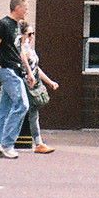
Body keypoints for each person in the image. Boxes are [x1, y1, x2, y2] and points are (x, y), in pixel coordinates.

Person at [0, 0, 29, 159]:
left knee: (3, 110)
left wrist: (29, 72)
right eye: (25, 7)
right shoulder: (3, 24)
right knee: (22, 105)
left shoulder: (18, 26)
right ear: (17, 7)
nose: (27, 10)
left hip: (16, 70)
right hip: (7, 70)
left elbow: (20, 51)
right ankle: (7, 144)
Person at [19, 20, 59, 155]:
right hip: (25, 83)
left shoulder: (30, 49)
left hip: (33, 83)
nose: (31, 37)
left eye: (33, 34)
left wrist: (49, 81)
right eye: (29, 34)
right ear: (22, 35)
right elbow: (25, 65)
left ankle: (0, 136)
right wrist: (30, 75)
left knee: (26, 111)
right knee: (28, 111)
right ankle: (38, 142)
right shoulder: (20, 49)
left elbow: (36, 69)